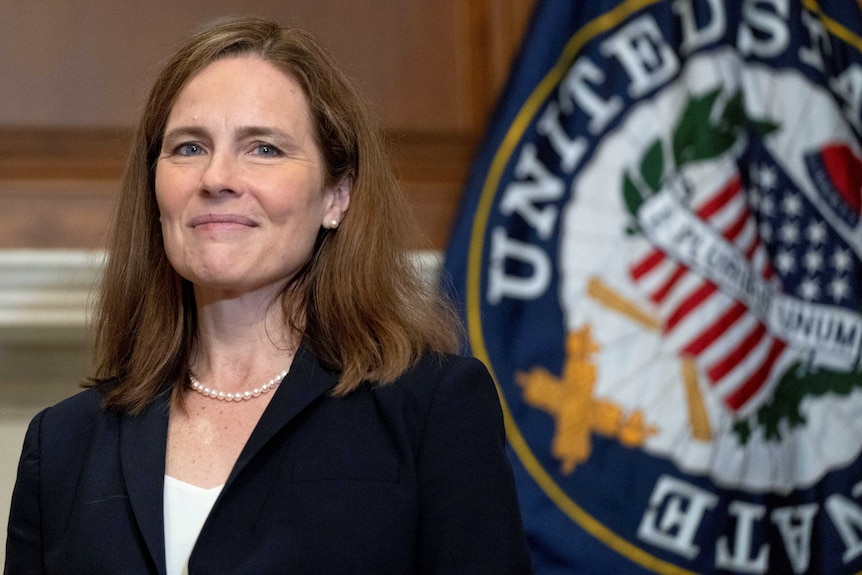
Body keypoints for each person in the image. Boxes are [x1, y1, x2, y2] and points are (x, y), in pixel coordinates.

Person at [4, 16, 532, 575]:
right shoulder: (63, 443)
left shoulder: (432, 410)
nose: (217, 178)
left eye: (263, 148)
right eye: (188, 147)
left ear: (337, 195)